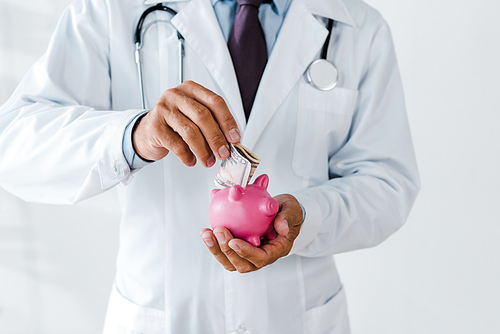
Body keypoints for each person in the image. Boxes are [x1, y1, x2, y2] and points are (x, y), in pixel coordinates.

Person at [0, 0, 420, 332]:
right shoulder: (111, 10)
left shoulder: (357, 27)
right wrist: (135, 135)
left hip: (298, 318)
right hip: (162, 318)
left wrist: (306, 217)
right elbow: (15, 144)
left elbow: (387, 182)